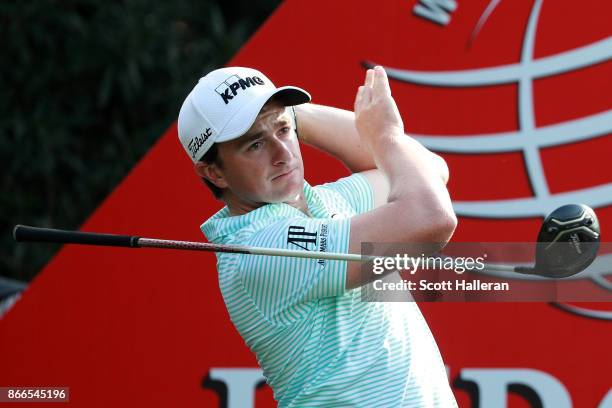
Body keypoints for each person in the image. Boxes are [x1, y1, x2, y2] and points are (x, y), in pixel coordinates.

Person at [177, 66, 458, 407]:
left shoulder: (326, 200)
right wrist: (385, 136)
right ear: (214, 173)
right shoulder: (259, 249)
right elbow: (431, 217)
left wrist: (295, 113)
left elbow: (427, 171)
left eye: (284, 130)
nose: (283, 153)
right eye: (255, 144)